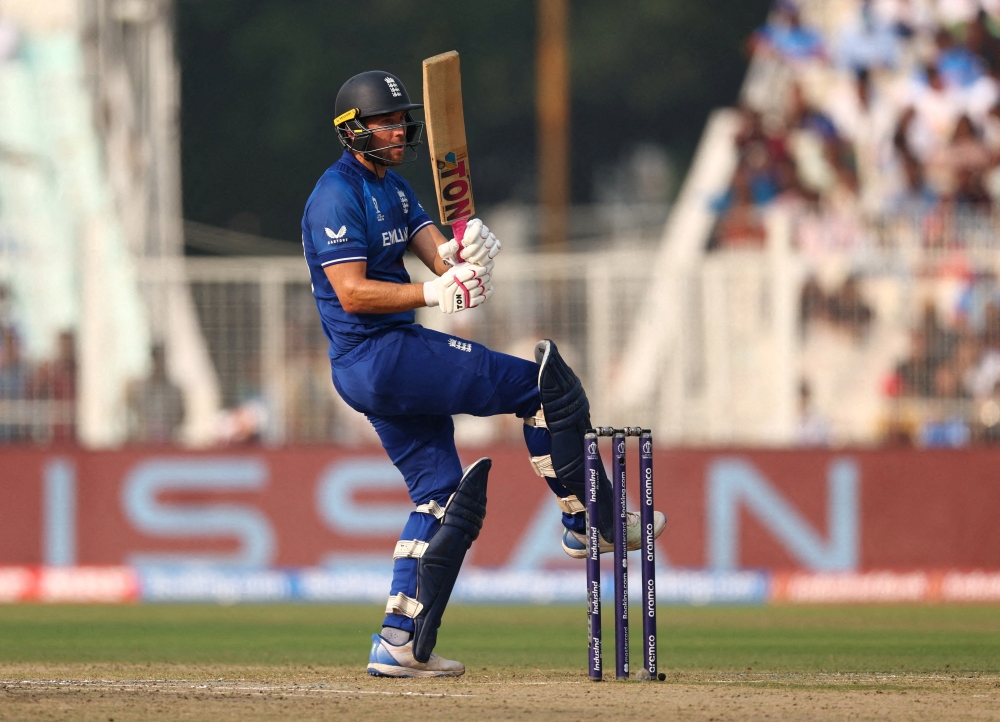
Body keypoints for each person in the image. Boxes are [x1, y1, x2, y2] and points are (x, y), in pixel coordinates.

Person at [301, 71, 666, 678]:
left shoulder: (395, 188)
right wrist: (433, 292)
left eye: (401, 120)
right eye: (386, 122)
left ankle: (400, 642)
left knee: (443, 498)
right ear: (353, 131)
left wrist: (463, 255)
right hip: (378, 355)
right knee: (544, 388)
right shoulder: (335, 195)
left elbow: (437, 254)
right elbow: (352, 292)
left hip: (387, 359)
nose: (400, 131)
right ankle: (589, 519)